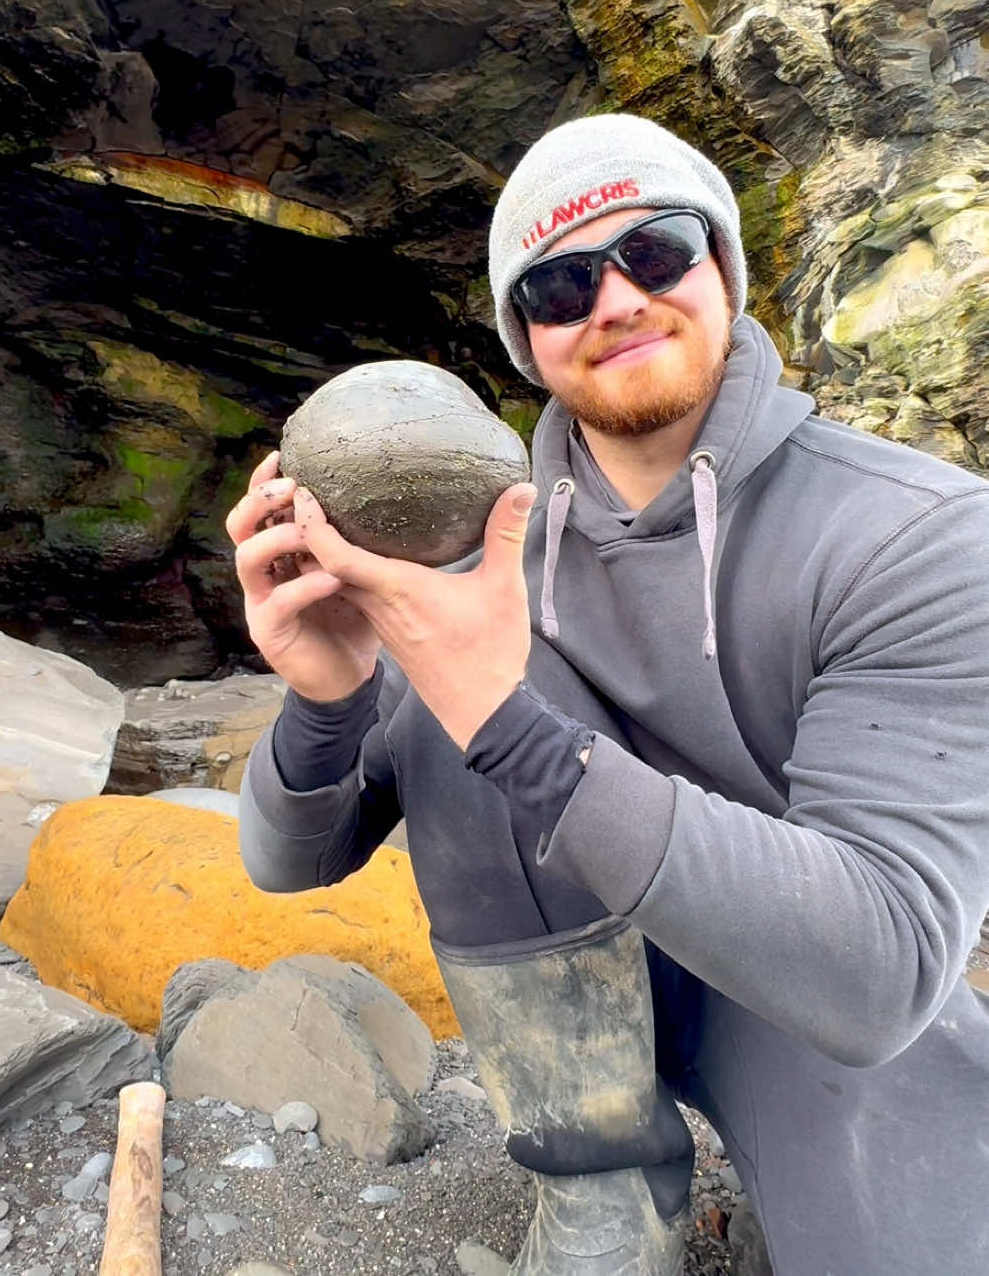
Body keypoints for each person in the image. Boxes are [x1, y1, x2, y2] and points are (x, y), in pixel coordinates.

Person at [226, 113, 989, 1276]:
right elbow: (293, 866)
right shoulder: (461, 551)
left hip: (798, 992)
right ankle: (601, 1191)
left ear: (724, 267)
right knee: (458, 678)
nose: (617, 299)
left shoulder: (916, 536)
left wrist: (513, 727)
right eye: (562, 282)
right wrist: (325, 699)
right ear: (525, 341)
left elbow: (878, 973)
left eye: (658, 250)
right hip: (564, 987)